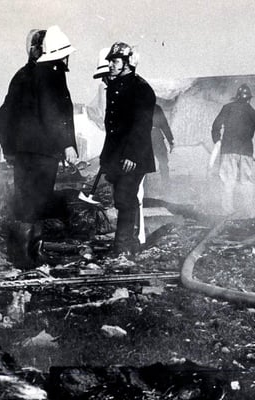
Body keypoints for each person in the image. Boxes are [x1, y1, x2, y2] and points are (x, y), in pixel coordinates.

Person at [0, 26, 78, 267]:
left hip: (23, 152)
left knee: (25, 201)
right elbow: (55, 113)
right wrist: (67, 144)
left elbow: (5, 113)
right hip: (44, 151)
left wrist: (9, 148)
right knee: (38, 201)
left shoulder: (22, 75)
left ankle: (23, 255)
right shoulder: (52, 73)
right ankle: (27, 256)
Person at [99, 41, 156, 255]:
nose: (111, 65)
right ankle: (129, 243)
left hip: (134, 155)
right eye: (111, 61)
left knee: (125, 198)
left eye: (115, 61)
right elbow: (112, 127)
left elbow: (141, 126)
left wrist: (131, 154)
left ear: (128, 62)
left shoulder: (141, 89)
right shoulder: (114, 87)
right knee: (122, 198)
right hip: (117, 156)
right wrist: (107, 158)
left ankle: (123, 246)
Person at [210, 84, 255, 212]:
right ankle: (247, 211)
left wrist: (217, 140)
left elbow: (216, 126)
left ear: (236, 97)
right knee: (246, 182)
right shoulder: (253, 112)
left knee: (228, 180)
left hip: (229, 149)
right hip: (246, 151)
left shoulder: (227, 108)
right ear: (249, 99)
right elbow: (251, 134)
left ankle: (228, 212)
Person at [151, 103, 174, 180]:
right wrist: (170, 141)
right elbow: (164, 125)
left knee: (142, 164)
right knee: (163, 161)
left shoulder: (137, 106)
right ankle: (166, 184)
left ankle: (143, 188)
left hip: (144, 136)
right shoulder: (156, 107)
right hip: (156, 136)